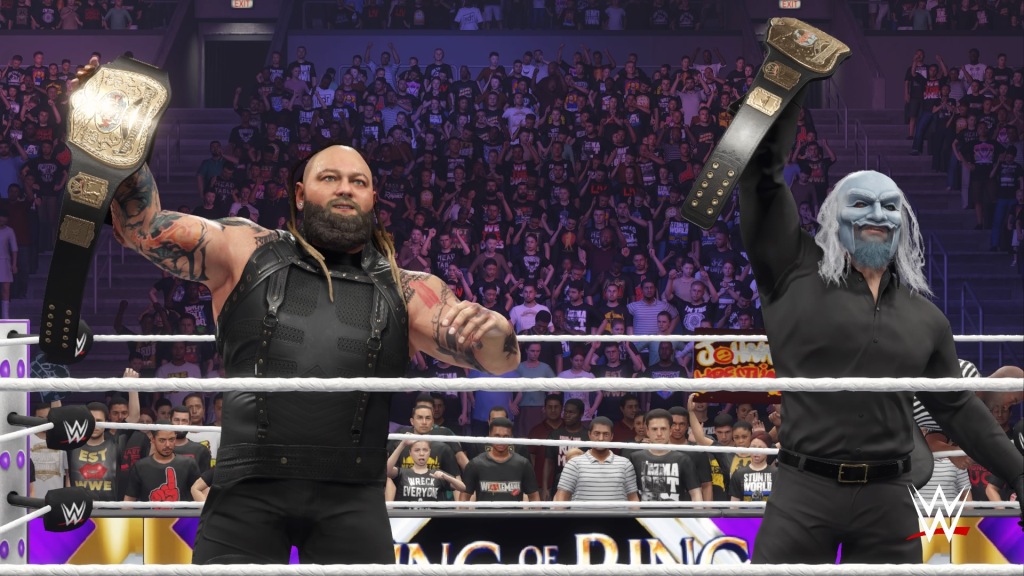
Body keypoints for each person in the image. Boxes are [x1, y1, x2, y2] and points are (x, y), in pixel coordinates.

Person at [95, 58, 521, 563]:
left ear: (373, 199)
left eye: (358, 182)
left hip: (352, 494)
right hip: (246, 488)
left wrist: (497, 330)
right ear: (300, 194)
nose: (344, 188)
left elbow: (498, 359)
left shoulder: (408, 289)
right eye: (330, 177)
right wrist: (115, 135)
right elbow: (144, 229)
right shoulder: (246, 250)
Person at [734, 90, 1024, 564]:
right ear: (834, 216)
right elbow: (762, 180)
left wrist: (1018, 471)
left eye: (890, 206)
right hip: (803, 491)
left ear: (903, 222)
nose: (876, 215)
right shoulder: (792, 271)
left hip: (890, 496)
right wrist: (785, 90)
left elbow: (956, 408)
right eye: (861, 203)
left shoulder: (925, 318)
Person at [553, 417, 639, 502]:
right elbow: (561, 497)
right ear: (589, 435)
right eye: (596, 434)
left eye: (606, 434)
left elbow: (633, 499)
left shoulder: (625, 464)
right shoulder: (573, 463)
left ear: (612, 436)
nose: (601, 438)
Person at [460, 417, 540, 502]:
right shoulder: (475, 464)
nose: (501, 440)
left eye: (506, 436)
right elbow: (464, 498)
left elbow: (534, 497)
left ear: (511, 437)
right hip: (485, 511)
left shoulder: (523, 464)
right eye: (497, 436)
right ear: (490, 435)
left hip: (513, 511)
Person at [125, 426, 201, 503]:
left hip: (182, 511)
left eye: (171, 439)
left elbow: (203, 494)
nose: (167, 444)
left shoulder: (188, 464)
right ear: (153, 440)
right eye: (162, 440)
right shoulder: (140, 466)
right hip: (149, 511)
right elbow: (129, 500)